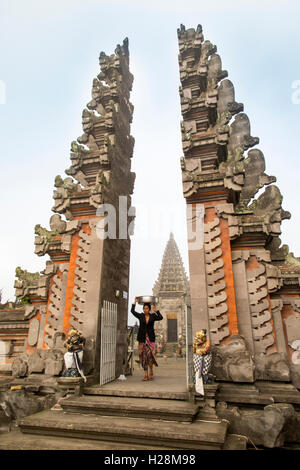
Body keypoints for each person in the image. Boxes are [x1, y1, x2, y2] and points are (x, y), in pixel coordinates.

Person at [131, 297, 163, 381]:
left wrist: (156, 310)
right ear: (143, 309)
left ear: (149, 309)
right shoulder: (141, 316)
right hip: (142, 339)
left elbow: (160, 317)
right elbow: (132, 312)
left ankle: (151, 371)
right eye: (144, 308)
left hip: (150, 339)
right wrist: (135, 302)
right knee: (143, 357)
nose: (145, 310)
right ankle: (146, 375)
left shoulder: (152, 316)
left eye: (147, 308)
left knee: (150, 357)